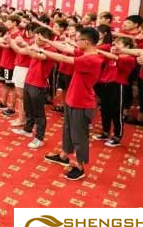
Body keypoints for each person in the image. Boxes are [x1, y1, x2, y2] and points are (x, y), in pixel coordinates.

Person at [40, 27, 103, 181]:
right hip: (72, 99)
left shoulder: (92, 59)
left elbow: (65, 58)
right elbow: (66, 49)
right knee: (68, 130)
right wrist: (47, 41)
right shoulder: (85, 53)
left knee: (79, 136)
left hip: (82, 103)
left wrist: (41, 50)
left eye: (78, 40)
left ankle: (80, 167)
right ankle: (64, 156)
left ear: (86, 42)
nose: (76, 42)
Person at [10, 27, 56, 149]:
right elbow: (20, 50)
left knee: (39, 113)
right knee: (28, 108)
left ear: (44, 38)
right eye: (35, 37)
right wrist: (10, 40)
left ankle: (39, 138)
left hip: (39, 84)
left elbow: (36, 55)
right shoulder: (35, 46)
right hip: (29, 80)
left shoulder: (51, 50)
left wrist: (29, 46)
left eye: (38, 37)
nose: (35, 39)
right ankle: (27, 129)